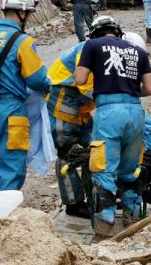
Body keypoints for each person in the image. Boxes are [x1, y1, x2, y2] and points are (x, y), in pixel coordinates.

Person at [74, 16, 151, 235]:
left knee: (103, 165)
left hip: (109, 112)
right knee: (130, 167)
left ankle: (106, 219)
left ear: (95, 34)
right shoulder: (137, 50)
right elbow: (149, 88)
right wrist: (125, 89)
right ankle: (133, 216)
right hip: (135, 112)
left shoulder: (92, 45)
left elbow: (80, 79)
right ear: (117, 33)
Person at [0, 0, 49, 193]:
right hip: (9, 110)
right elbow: (36, 79)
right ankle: (3, 218)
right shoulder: (23, 41)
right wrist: (47, 86)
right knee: (11, 168)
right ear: (23, 13)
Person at [46, 40, 93, 218]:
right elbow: (86, 85)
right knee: (67, 153)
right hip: (63, 100)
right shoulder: (87, 50)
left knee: (94, 146)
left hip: (79, 103)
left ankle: (93, 196)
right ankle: (73, 203)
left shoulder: (100, 49)